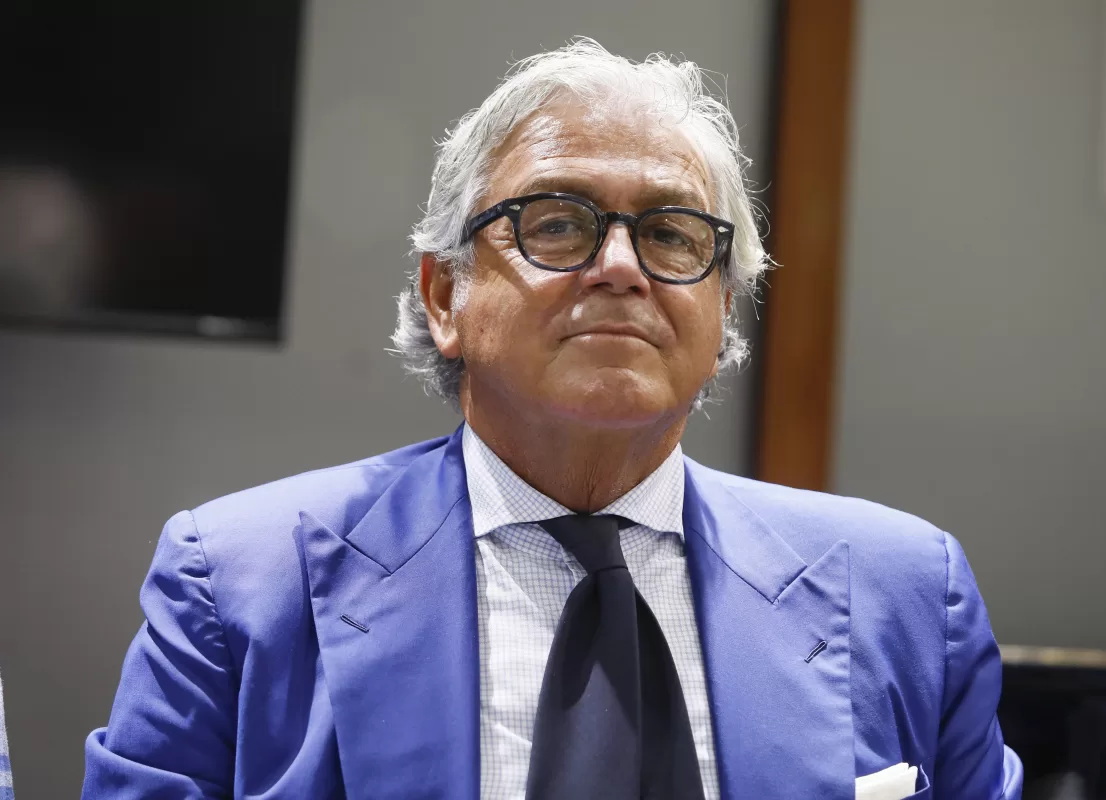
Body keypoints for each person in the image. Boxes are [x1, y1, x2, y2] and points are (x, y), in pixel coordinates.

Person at [82, 39, 1022, 799]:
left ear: (722, 312)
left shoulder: (905, 595)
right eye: (559, 223)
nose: (621, 267)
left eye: (671, 234)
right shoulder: (239, 586)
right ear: (444, 295)